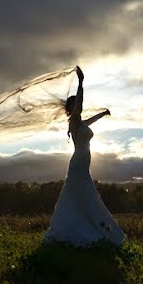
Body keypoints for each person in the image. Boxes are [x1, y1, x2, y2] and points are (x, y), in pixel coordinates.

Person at [43, 66, 126, 246]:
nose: (78, 108)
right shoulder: (73, 121)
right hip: (78, 164)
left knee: (79, 195)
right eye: (75, 106)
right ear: (72, 109)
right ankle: (81, 229)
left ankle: (83, 224)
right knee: (86, 194)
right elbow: (79, 104)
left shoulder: (80, 123)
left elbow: (91, 120)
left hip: (82, 164)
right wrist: (81, 83)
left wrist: (103, 114)